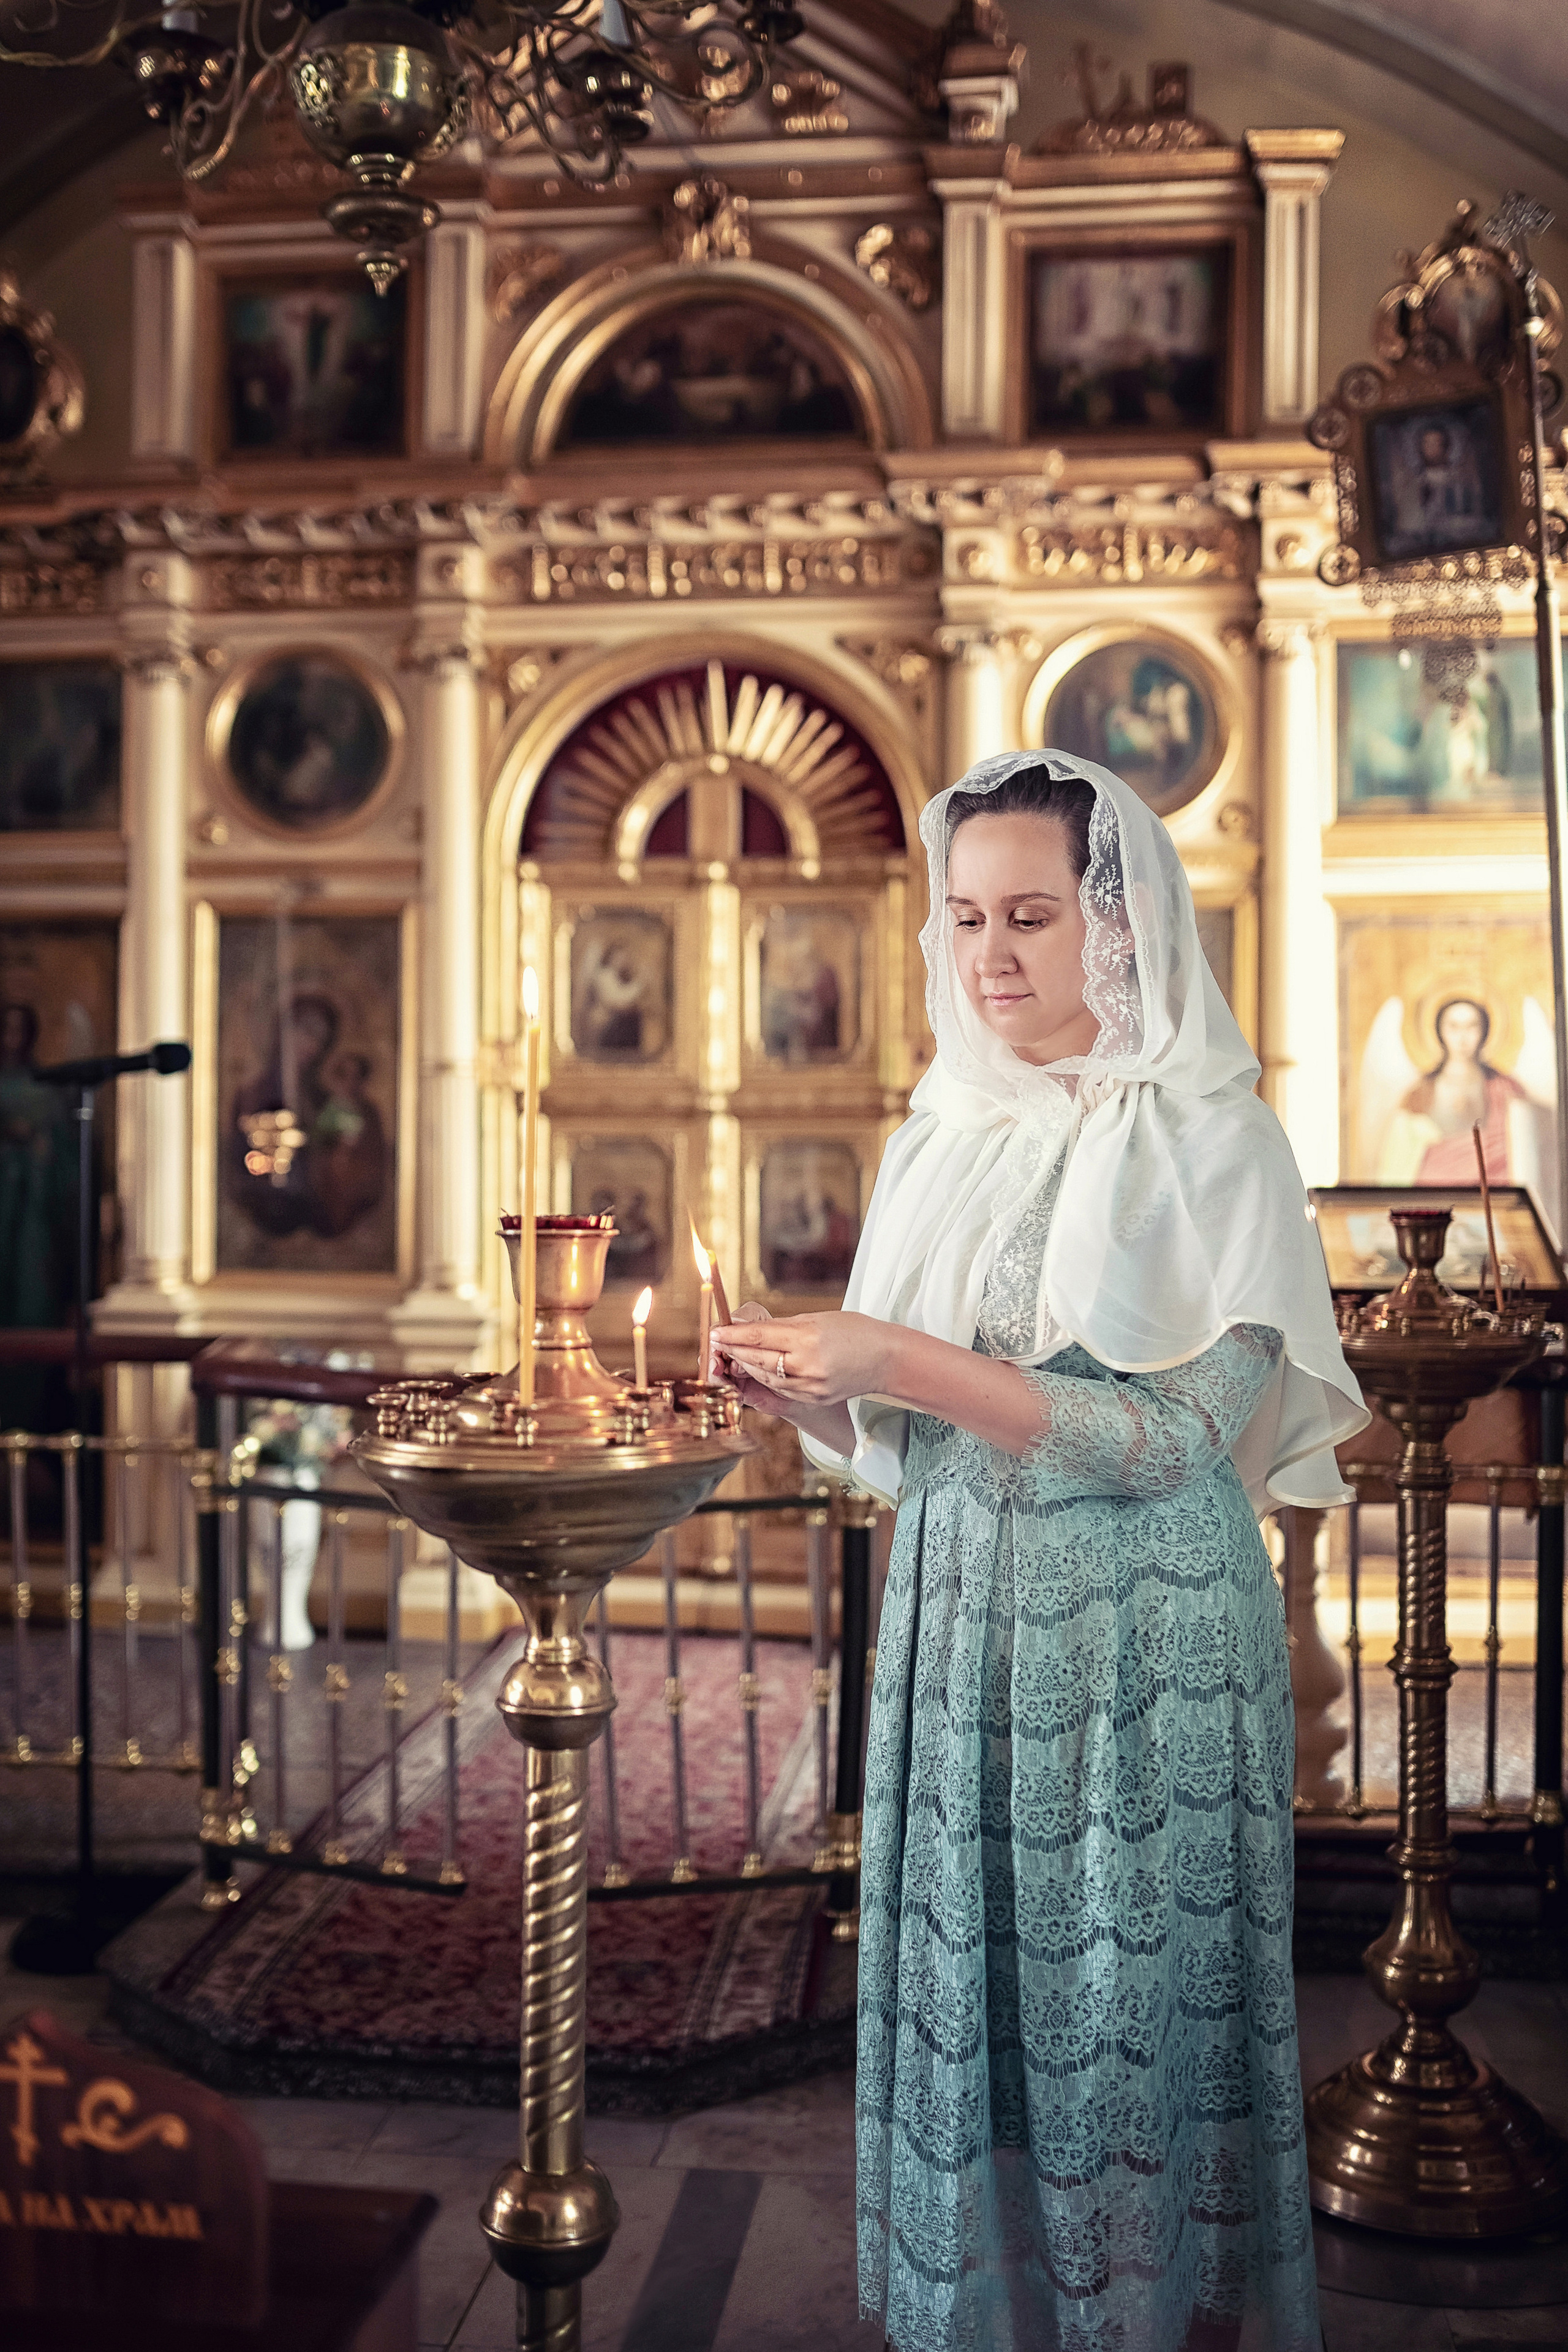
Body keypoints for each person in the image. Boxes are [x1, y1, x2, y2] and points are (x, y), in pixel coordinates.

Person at [712, 752, 1366, 2352]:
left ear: (1119, 922)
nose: (988, 955)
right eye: (962, 919)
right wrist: (789, 1386)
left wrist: (888, 1361)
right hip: (955, 1632)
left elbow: (1171, 1441)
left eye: (1028, 915)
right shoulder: (950, 1132)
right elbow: (906, 1439)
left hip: (1140, 1646)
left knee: (1111, 2023)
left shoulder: (1215, 1142)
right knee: (984, 2028)